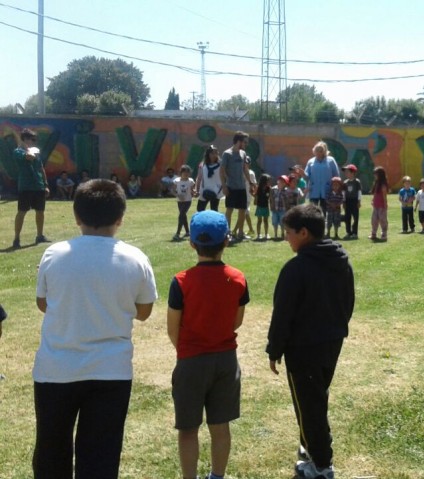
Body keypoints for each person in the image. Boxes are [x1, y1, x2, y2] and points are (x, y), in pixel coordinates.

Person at [32, 179, 158, 478]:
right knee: (101, 456)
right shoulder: (136, 258)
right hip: (111, 370)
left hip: (56, 368)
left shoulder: (55, 253)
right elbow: (144, 312)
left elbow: (43, 303)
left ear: (76, 216)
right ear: (120, 218)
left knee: (51, 450)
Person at [267, 204, 355, 479]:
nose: (286, 238)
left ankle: (321, 464)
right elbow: (348, 302)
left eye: (288, 232)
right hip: (332, 342)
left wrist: (274, 349)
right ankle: (309, 449)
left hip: (303, 349)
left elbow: (283, 314)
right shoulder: (341, 261)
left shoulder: (296, 269)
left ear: (303, 233)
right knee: (316, 397)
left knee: (309, 405)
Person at [167, 210, 249, 479]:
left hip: (191, 360)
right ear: (226, 240)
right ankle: (217, 475)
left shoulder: (181, 281)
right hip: (226, 360)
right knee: (220, 425)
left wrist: (188, 348)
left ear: (192, 243)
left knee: (188, 429)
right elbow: (236, 321)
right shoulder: (237, 278)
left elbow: (173, 328)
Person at [13, 128, 50, 249]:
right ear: (25, 139)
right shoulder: (18, 151)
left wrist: (45, 185)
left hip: (38, 186)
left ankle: (40, 236)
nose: (34, 142)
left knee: (40, 211)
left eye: (34, 139)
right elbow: (29, 157)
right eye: (32, 139)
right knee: (22, 212)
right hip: (26, 186)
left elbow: (41, 168)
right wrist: (26, 148)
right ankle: (16, 238)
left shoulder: (35, 152)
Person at [220, 132, 252, 242]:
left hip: (241, 187)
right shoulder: (227, 154)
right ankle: (227, 233)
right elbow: (221, 171)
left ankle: (240, 233)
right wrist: (224, 186)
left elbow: (245, 169)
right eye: (245, 142)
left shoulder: (243, 153)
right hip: (231, 187)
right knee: (229, 210)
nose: (246, 144)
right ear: (239, 141)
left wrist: (251, 182)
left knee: (242, 210)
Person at [304, 141, 341, 216]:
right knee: (312, 211)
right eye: (316, 150)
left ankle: (323, 223)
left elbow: (336, 175)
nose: (318, 153)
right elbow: (307, 175)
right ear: (314, 151)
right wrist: (302, 173)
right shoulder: (310, 161)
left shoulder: (331, 160)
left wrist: (336, 188)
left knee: (323, 211)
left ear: (324, 151)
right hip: (314, 190)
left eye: (320, 151)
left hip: (326, 190)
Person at [196, 145, 224, 212]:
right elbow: (199, 178)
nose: (214, 155)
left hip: (216, 190)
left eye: (216, 153)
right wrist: (197, 190)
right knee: (200, 209)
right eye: (212, 153)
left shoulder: (221, 164)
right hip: (204, 190)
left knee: (214, 210)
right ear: (208, 154)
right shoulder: (203, 165)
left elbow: (225, 176)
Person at [173, 165, 196, 241]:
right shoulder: (177, 181)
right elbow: (173, 190)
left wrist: (194, 192)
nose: (186, 174)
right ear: (181, 173)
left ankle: (178, 233)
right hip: (180, 201)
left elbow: (192, 190)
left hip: (187, 201)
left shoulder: (191, 181)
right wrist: (178, 195)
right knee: (183, 215)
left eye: (187, 173)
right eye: (184, 172)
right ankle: (187, 232)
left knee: (181, 215)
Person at [342, 165, 362, 239]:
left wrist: (359, 201)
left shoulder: (357, 182)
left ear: (353, 172)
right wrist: (344, 201)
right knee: (347, 217)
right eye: (345, 172)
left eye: (347, 172)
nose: (346, 173)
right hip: (347, 201)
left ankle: (354, 233)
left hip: (354, 201)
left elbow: (359, 192)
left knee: (355, 217)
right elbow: (343, 192)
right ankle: (348, 232)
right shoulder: (345, 182)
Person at [370, 166, 389, 241]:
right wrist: (373, 200)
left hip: (381, 206)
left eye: (376, 174)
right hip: (376, 205)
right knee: (374, 220)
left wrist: (385, 205)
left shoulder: (383, 185)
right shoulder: (376, 183)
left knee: (382, 220)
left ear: (380, 175)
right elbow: (375, 193)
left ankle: (384, 234)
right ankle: (373, 233)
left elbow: (384, 196)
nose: (374, 175)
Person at [255, 173, 272, 241]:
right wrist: (255, 201)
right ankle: (258, 234)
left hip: (266, 206)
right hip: (259, 206)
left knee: (266, 221)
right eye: (268, 180)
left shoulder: (269, 188)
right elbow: (256, 196)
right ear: (264, 181)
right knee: (259, 221)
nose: (270, 182)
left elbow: (270, 197)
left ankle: (266, 234)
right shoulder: (258, 188)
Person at [270, 175, 288, 240]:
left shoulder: (286, 190)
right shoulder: (273, 189)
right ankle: (275, 234)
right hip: (274, 209)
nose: (281, 183)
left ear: (285, 184)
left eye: (283, 182)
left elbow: (286, 200)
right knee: (275, 222)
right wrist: (272, 206)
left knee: (282, 222)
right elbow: (271, 198)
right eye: (280, 181)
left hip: (282, 209)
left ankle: (282, 233)